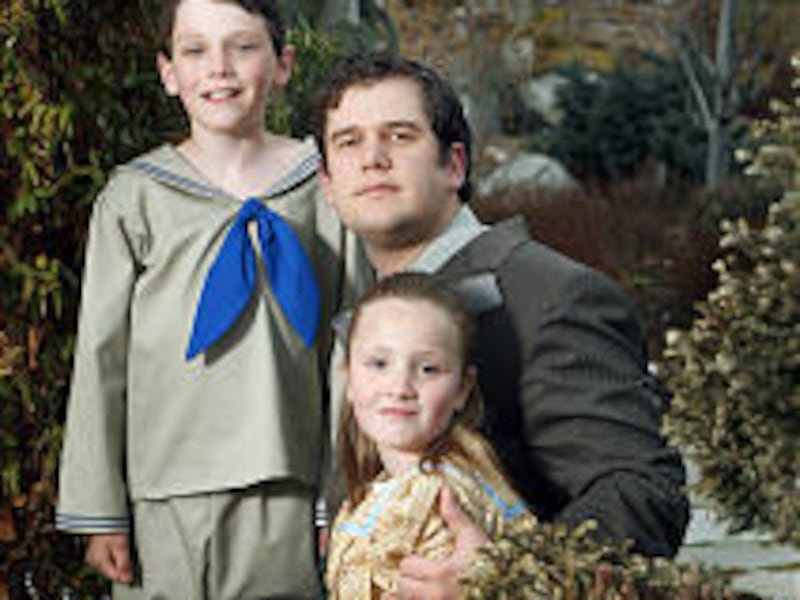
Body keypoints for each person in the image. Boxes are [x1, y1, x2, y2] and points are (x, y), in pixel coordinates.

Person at [313, 52, 689, 599]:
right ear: (327, 182)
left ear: (454, 165)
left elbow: (642, 491)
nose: (372, 158)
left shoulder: (554, 295)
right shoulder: (366, 310)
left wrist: (506, 579)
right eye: (348, 141)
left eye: (399, 136)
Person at [56, 1, 366, 598]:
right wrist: (100, 509)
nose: (218, 67)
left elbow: (349, 352)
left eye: (243, 47)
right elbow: (101, 358)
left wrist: (340, 494)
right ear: (168, 72)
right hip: (161, 496)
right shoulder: (134, 197)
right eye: (195, 50)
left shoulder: (324, 188)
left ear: (283, 65)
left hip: (288, 483)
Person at [325, 272, 535, 600]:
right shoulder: (377, 493)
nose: (400, 388)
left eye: (428, 369)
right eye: (379, 364)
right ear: (349, 378)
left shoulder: (437, 497)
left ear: (462, 389)